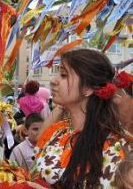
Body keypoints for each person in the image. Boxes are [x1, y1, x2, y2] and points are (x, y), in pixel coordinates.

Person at [32, 49, 131, 188]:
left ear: (87, 89)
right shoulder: (58, 132)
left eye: (64, 75)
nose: (54, 80)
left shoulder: (115, 148)